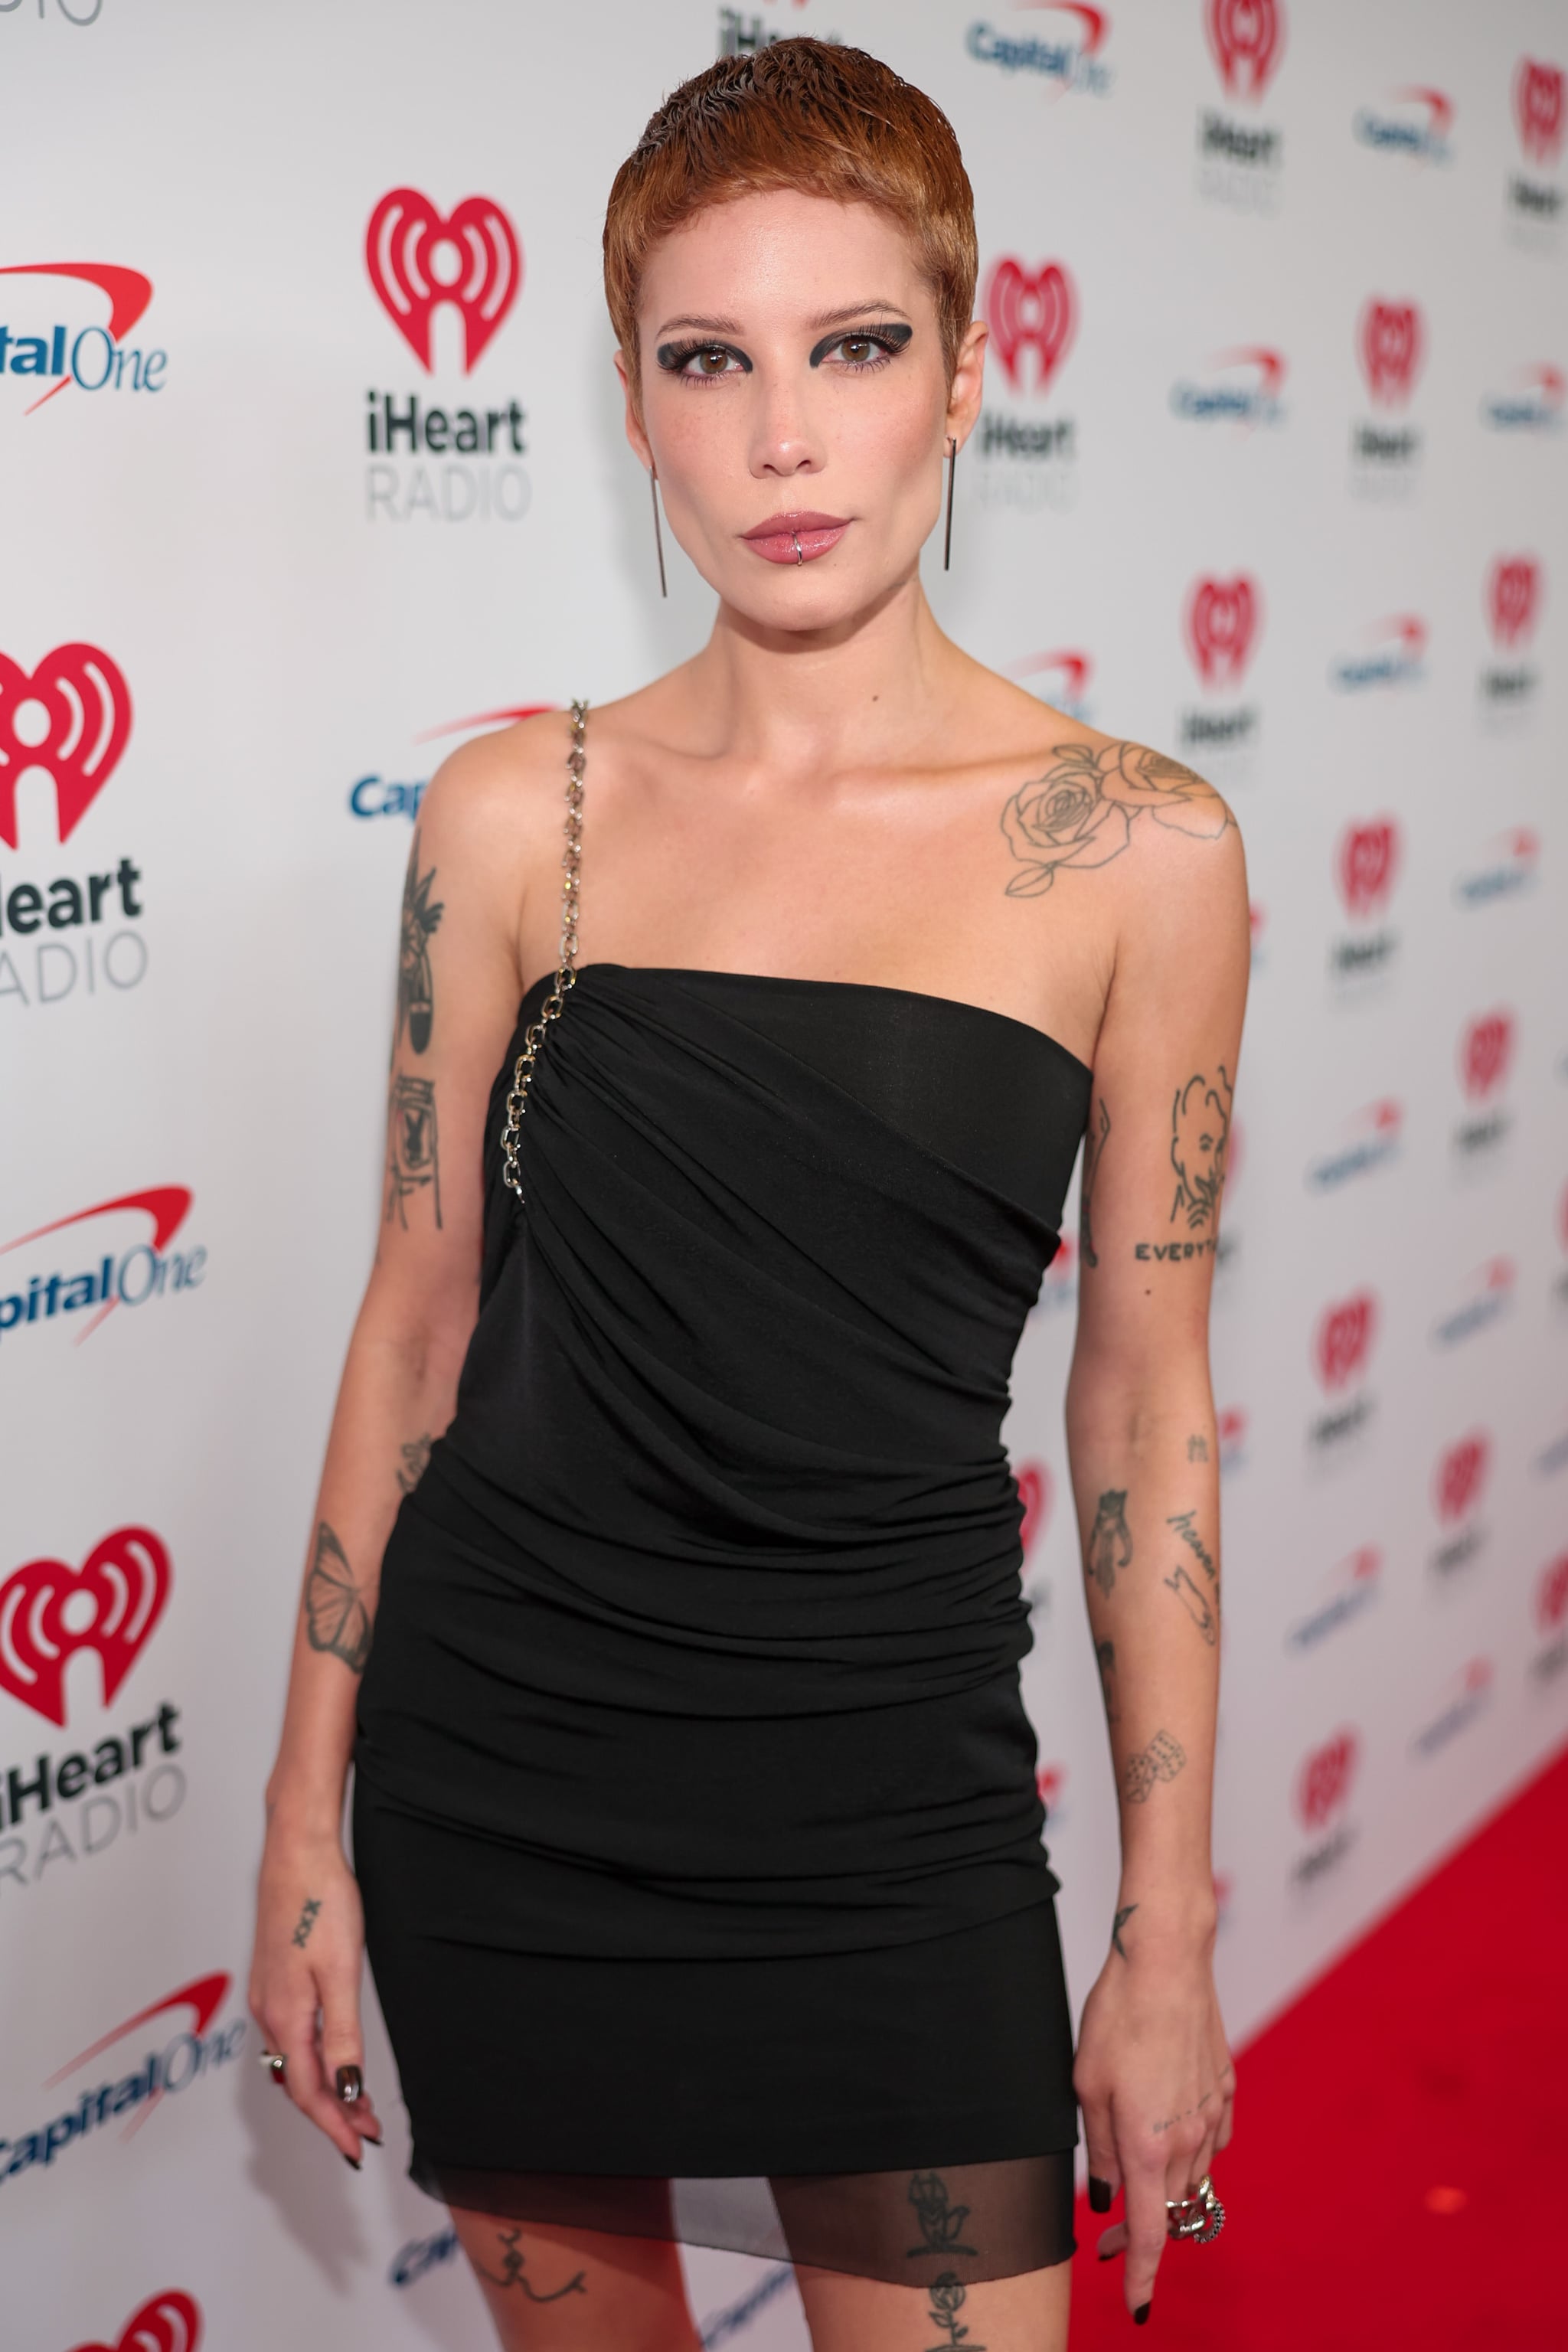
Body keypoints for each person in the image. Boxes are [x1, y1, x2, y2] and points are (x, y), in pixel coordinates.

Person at [250, 39, 1246, 2350]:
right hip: (508, 1787)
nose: (783, 437)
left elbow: (1143, 1410)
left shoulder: (1141, 851)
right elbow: (416, 1325)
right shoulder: (512, 817)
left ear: (970, 370)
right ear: (634, 410)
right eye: (712, 362)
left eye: (854, 347)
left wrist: (1165, 1928)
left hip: (894, 1813)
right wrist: (310, 1823)